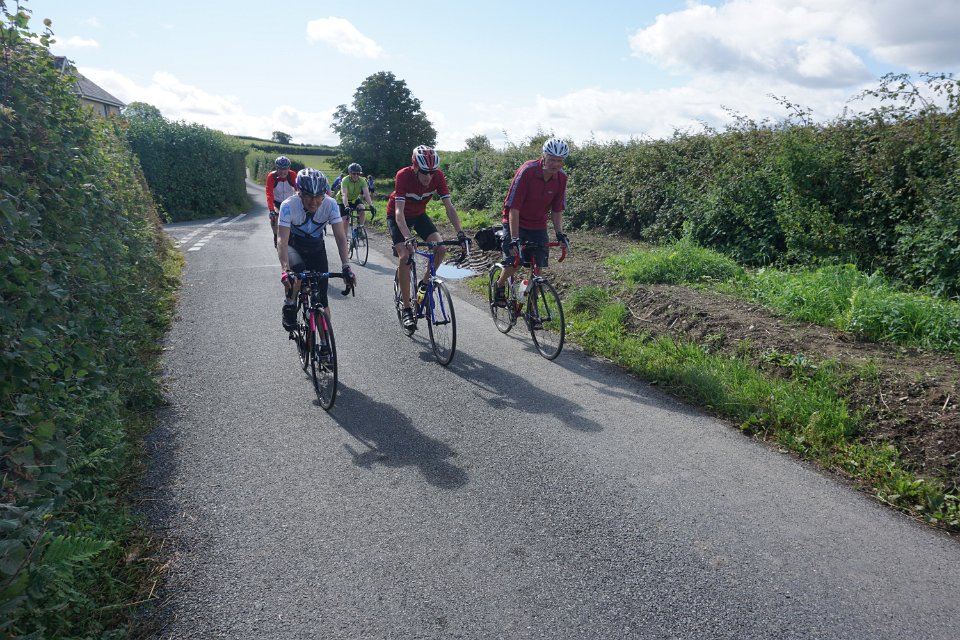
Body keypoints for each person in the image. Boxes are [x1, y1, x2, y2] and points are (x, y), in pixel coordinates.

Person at [387, 145, 468, 331]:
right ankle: (407, 309)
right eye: (424, 172)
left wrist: (461, 233)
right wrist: (408, 237)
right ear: (415, 167)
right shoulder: (403, 175)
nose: (428, 177)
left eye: (432, 172)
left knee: (441, 248)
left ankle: (423, 285)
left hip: (419, 215)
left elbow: (449, 207)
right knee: (405, 256)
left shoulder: (438, 176)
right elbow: (399, 213)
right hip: (398, 217)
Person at [493, 137, 571, 307]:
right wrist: (514, 238)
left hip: (538, 224)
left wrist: (559, 234)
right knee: (516, 262)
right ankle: (499, 285)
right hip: (516, 221)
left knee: (538, 267)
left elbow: (557, 210)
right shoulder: (527, 171)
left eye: (559, 161)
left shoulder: (561, 178)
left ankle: (532, 307)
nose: (555, 164)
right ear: (543, 156)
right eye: (552, 159)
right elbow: (514, 208)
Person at [277, 168, 356, 331]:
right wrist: (285, 270)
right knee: (296, 272)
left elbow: (341, 238)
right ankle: (290, 302)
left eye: (318, 196)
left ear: (324, 194)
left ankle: (324, 342)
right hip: (294, 245)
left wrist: (346, 266)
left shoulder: (330, 204)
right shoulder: (288, 206)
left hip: (316, 248)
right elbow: (282, 241)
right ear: (300, 193)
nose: (314, 202)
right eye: (308, 196)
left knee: (322, 299)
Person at [265, 156, 298, 248]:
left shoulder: (292, 175)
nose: (283, 172)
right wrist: (271, 209)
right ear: (276, 168)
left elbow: (298, 190)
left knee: (294, 219)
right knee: (274, 217)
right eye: (280, 169)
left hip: (289, 201)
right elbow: (269, 193)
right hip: (277, 201)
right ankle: (276, 235)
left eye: (285, 169)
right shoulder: (272, 176)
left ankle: (293, 236)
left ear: (289, 168)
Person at [338, 162, 375, 234]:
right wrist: (346, 206)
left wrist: (371, 205)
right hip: (343, 201)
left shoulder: (362, 180)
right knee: (345, 219)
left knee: (362, 208)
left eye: (358, 174)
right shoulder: (345, 180)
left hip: (354, 199)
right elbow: (344, 194)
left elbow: (366, 194)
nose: (356, 175)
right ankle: (344, 238)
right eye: (354, 173)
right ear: (350, 173)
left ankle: (359, 229)